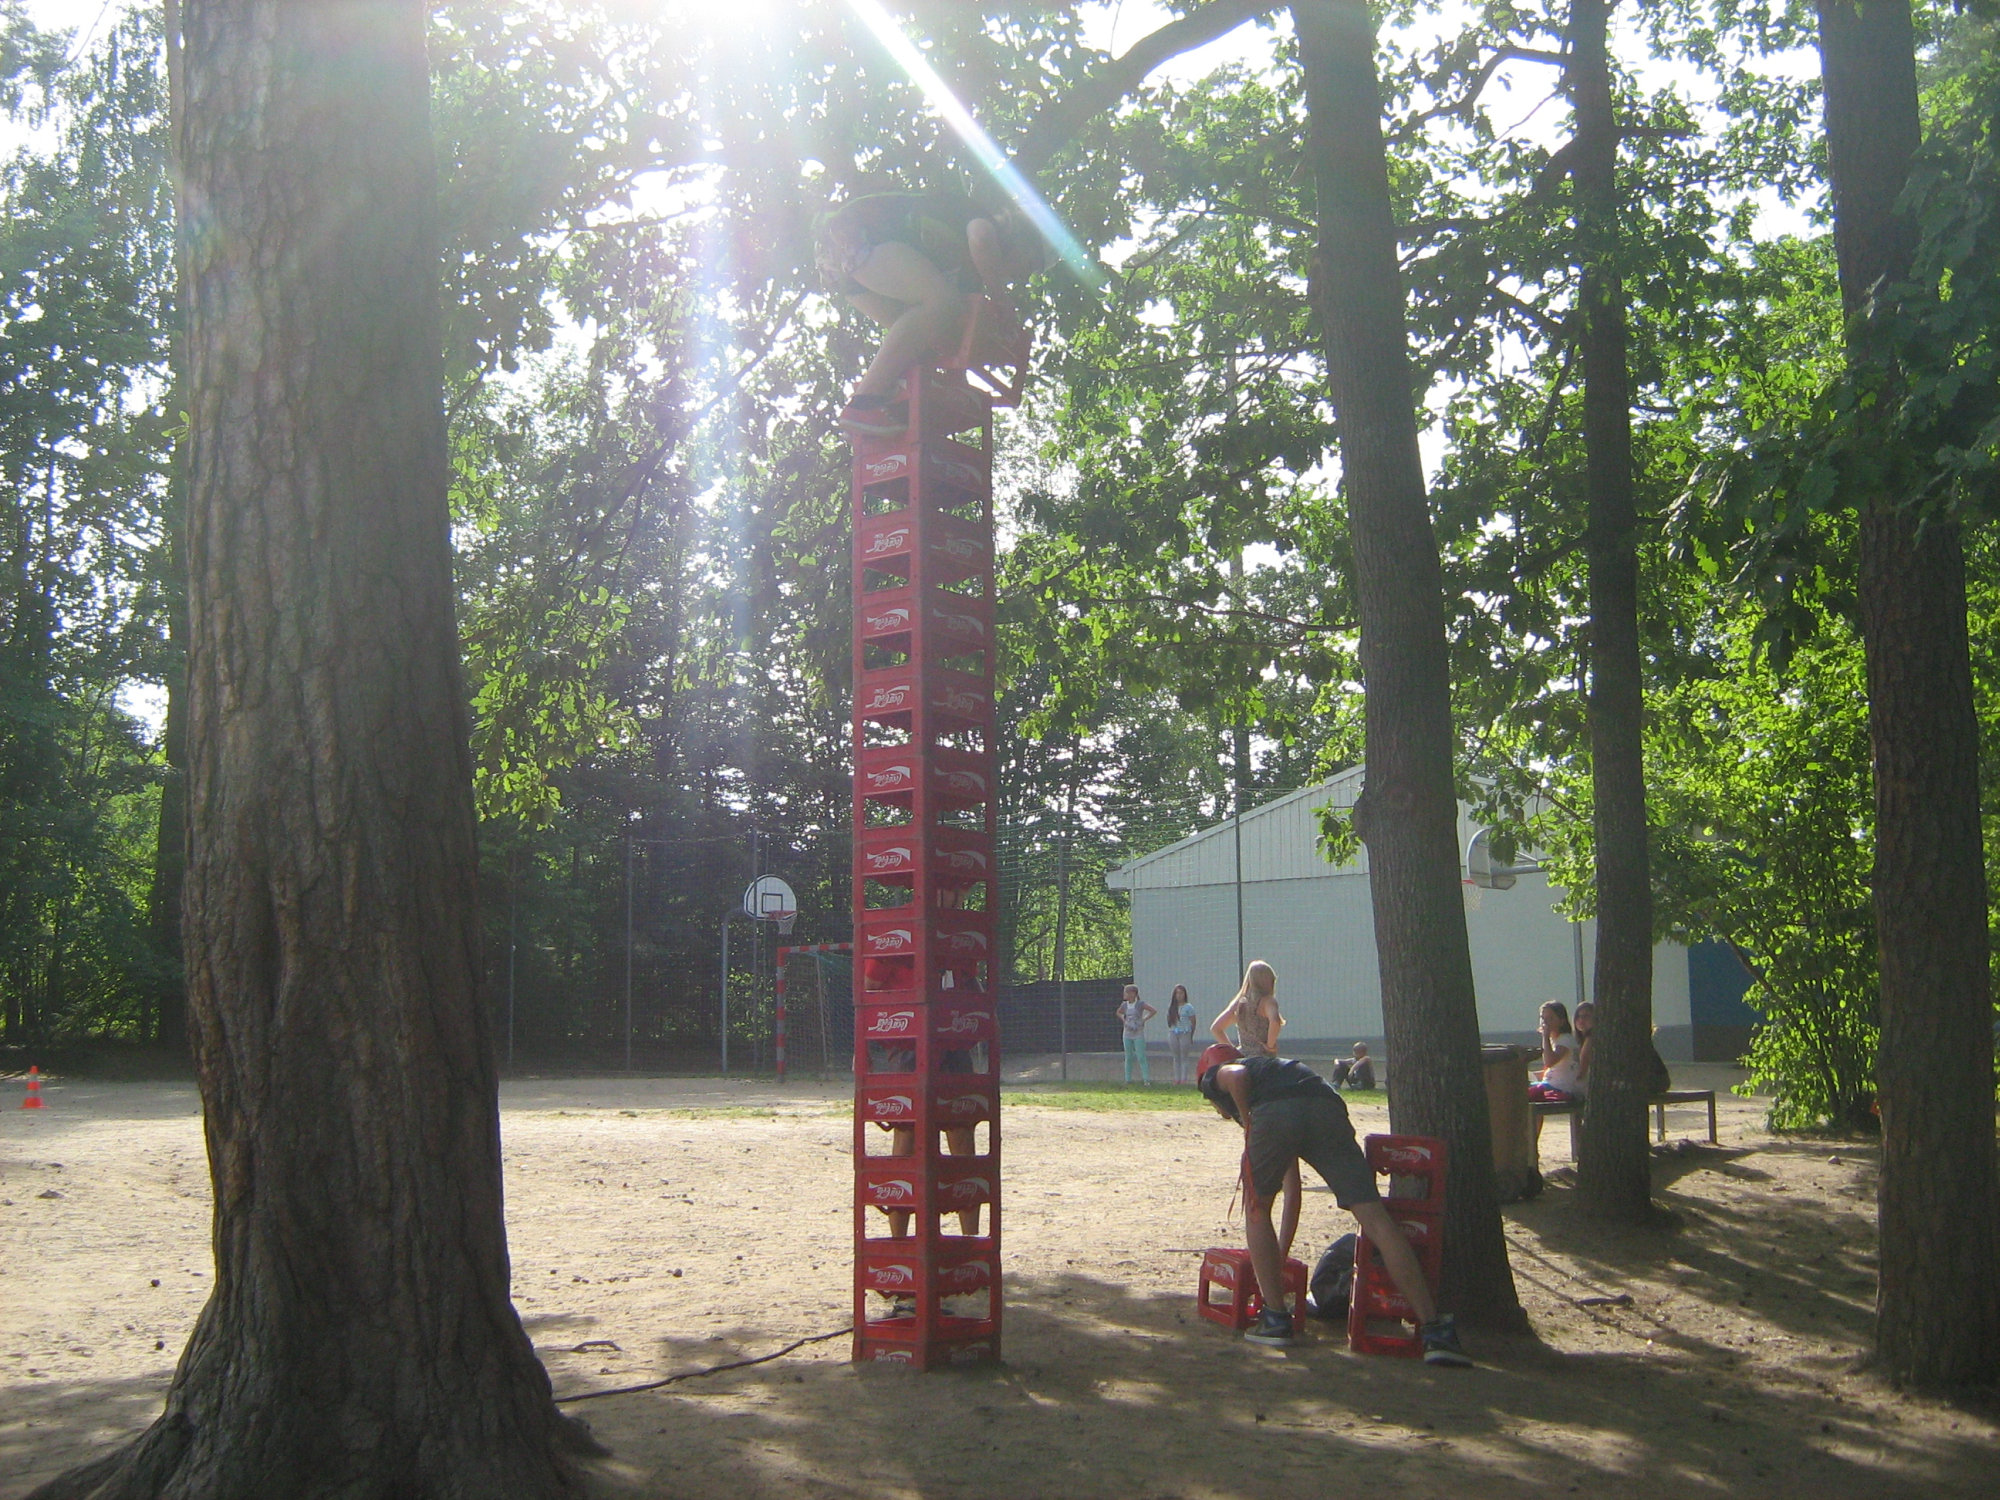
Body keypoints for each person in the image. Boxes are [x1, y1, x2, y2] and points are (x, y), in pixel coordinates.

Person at [1196, 1041, 1471, 1365]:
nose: (1217, 1111)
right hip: (1327, 1106)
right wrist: (1278, 1257)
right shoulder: (1273, 1075)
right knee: (1375, 1219)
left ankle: (1275, 1319)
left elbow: (1236, 1076)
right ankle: (1435, 1331)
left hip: (1277, 1113)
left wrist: (1248, 1124)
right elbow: (1293, 1191)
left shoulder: (1216, 1076)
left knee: (1256, 1209)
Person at [815, 185, 1047, 435]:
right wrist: (1001, 299)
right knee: (943, 303)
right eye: (1031, 264)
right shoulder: (983, 221)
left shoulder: (967, 274)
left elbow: (948, 331)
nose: (1026, 276)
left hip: (840, 263)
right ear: (1022, 241)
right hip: (855, 235)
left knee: (921, 338)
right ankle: (864, 404)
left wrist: (958, 387)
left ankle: (877, 412)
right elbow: (981, 238)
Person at [1211, 958, 1283, 1058]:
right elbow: (1275, 1021)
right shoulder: (1268, 1001)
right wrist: (1270, 1046)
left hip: (1243, 1057)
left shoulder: (1240, 1002)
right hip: (1263, 1058)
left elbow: (1216, 1028)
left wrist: (1233, 1052)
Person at [1116, 985, 1158, 1084]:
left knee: (1141, 1056)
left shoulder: (1140, 1004)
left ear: (1133, 994)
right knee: (1128, 1056)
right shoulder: (1124, 1005)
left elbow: (1153, 1011)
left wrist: (1143, 1019)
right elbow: (1118, 1012)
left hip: (1138, 1033)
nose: (1124, 994)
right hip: (1127, 1033)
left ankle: (1146, 1079)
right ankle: (1128, 1079)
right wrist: (1124, 1020)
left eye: (1126, 992)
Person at [1166, 985, 1198, 1085]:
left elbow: (1193, 1021)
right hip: (1173, 1032)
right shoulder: (1172, 1007)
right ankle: (1177, 1078)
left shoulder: (1189, 1007)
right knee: (1176, 1056)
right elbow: (1169, 1020)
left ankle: (1184, 1079)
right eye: (1177, 993)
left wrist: (1191, 1034)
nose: (1179, 995)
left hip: (1185, 1032)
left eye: (1181, 993)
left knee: (1184, 1056)